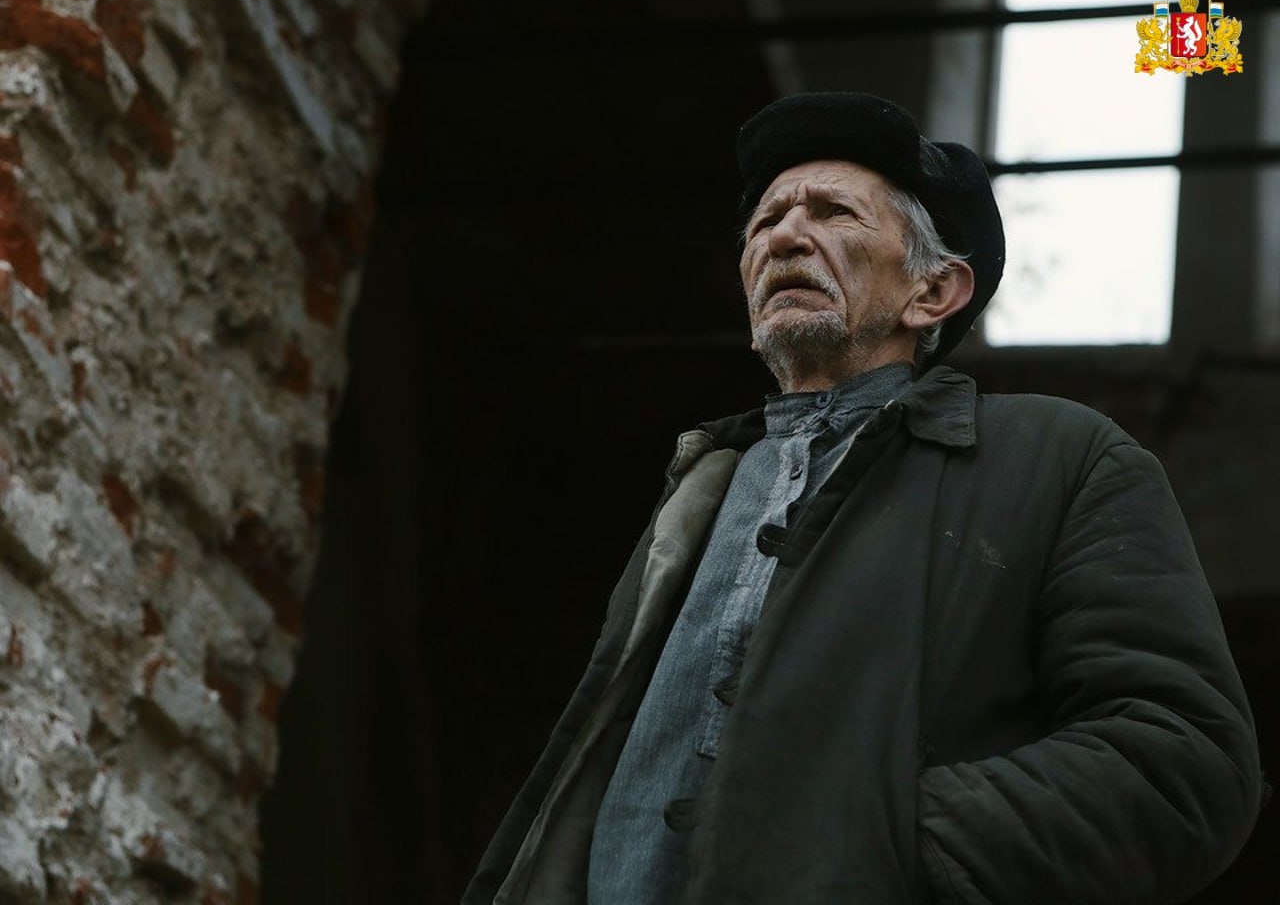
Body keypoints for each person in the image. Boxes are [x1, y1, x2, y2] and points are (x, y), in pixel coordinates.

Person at [462, 92, 1265, 904]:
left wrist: (878, 850)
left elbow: (1182, 761)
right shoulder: (698, 491)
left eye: (833, 212)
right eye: (765, 221)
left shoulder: (1059, 459)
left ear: (932, 293)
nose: (783, 236)